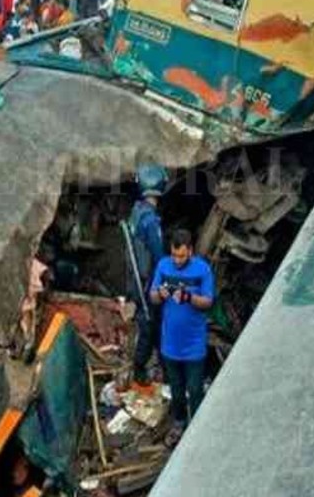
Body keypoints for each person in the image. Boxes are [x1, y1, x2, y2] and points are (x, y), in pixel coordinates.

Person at [147, 229, 215, 441]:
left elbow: (208, 301)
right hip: (170, 344)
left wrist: (188, 297)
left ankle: (197, 428)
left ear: (191, 252)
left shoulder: (202, 269)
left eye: (182, 256)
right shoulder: (163, 265)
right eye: (174, 255)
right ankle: (179, 423)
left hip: (194, 344)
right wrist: (160, 294)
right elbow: (152, 296)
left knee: (194, 390)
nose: (177, 260)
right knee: (176, 390)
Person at [126, 164, 166, 393]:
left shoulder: (137, 211)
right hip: (149, 282)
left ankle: (154, 368)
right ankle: (140, 371)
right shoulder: (150, 221)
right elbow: (159, 257)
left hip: (138, 280)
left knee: (149, 324)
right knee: (151, 326)